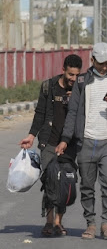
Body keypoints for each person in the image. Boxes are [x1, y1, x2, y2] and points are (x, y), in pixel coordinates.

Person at [56, 42, 107, 240]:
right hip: (86, 142)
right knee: (87, 186)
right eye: (101, 63)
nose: (104, 67)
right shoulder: (82, 81)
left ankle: (106, 223)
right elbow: (72, 112)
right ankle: (90, 223)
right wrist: (65, 139)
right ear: (92, 60)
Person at [19, 54, 83, 237]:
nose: (72, 79)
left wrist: (76, 101)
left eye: (76, 75)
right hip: (48, 143)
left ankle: (58, 222)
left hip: (70, 145)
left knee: (64, 183)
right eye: (70, 74)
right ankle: (48, 222)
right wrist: (31, 135)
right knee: (49, 182)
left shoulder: (80, 88)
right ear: (63, 70)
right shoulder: (49, 86)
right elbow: (40, 113)